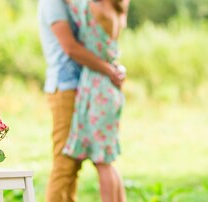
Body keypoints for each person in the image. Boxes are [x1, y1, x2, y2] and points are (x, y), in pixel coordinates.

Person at [37, 0, 125, 201]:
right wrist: (110, 70)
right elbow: (70, 47)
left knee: (81, 162)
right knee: (66, 162)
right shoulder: (53, 3)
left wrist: (113, 68)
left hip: (89, 87)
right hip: (67, 86)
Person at [61, 0, 129, 201]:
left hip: (99, 88)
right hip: (110, 87)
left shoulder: (96, 9)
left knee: (102, 162)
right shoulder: (117, 10)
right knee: (107, 160)